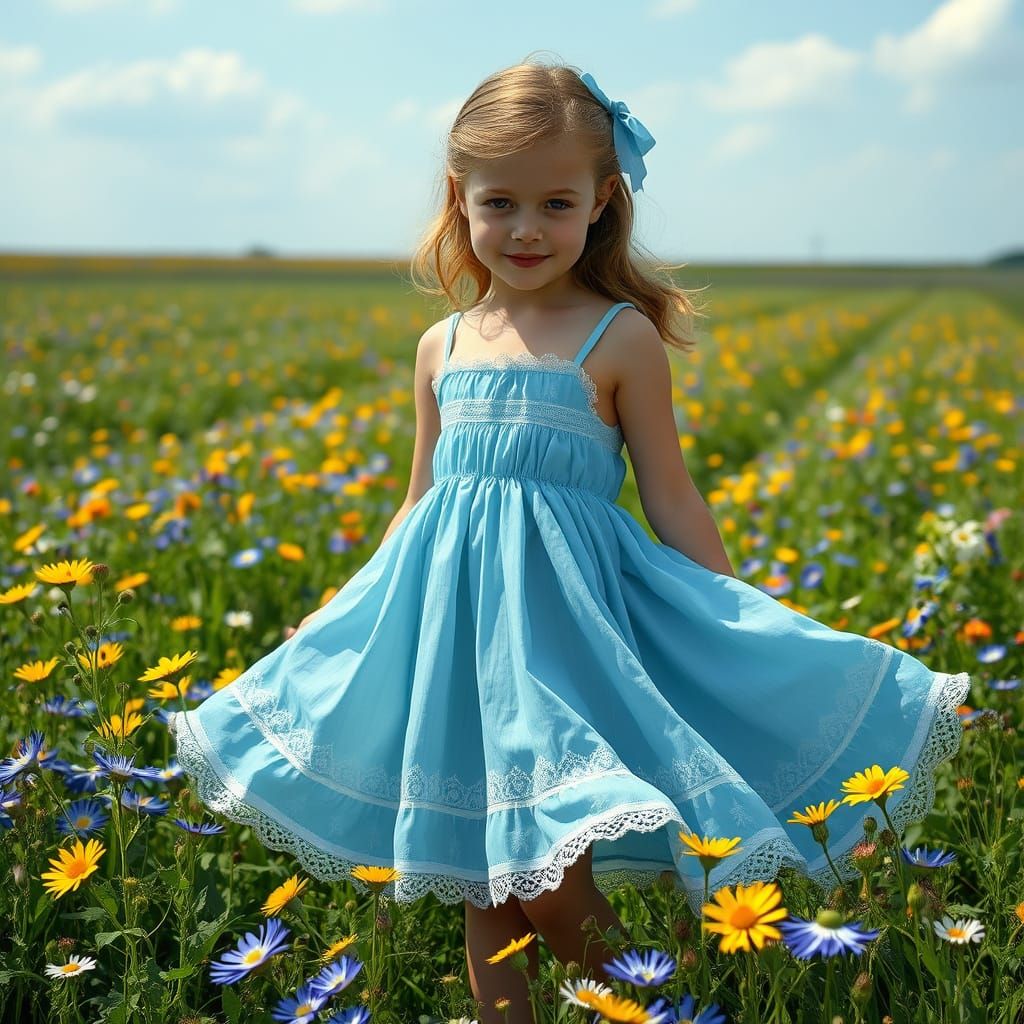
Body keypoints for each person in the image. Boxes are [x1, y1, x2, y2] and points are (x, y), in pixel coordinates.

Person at [168, 56, 972, 1024]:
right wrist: (338, 610)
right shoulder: (444, 344)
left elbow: (671, 497)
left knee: (548, 878)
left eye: (555, 202)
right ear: (458, 199)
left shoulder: (618, 336)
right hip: (457, 645)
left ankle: (646, 1003)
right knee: (482, 876)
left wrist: (738, 621)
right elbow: (418, 499)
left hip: (566, 649)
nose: (524, 228)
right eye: (498, 201)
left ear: (602, 202)